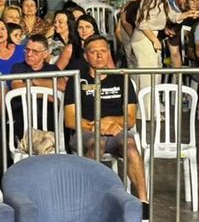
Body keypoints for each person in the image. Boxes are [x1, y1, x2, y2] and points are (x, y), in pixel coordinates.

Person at [63, 36, 149, 219]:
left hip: (116, 130)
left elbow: (130, 118)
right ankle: (87, 198)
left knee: (131, 146)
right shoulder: (77, 80)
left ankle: (143, 202)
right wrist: (97, 126)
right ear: (86, 56)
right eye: (94, 52)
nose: (99, 55)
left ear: (108, 53)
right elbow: (70, 119)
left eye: (103, 51)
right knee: (97, 144)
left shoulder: (121, 78)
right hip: (87, 132)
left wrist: (110, 121)